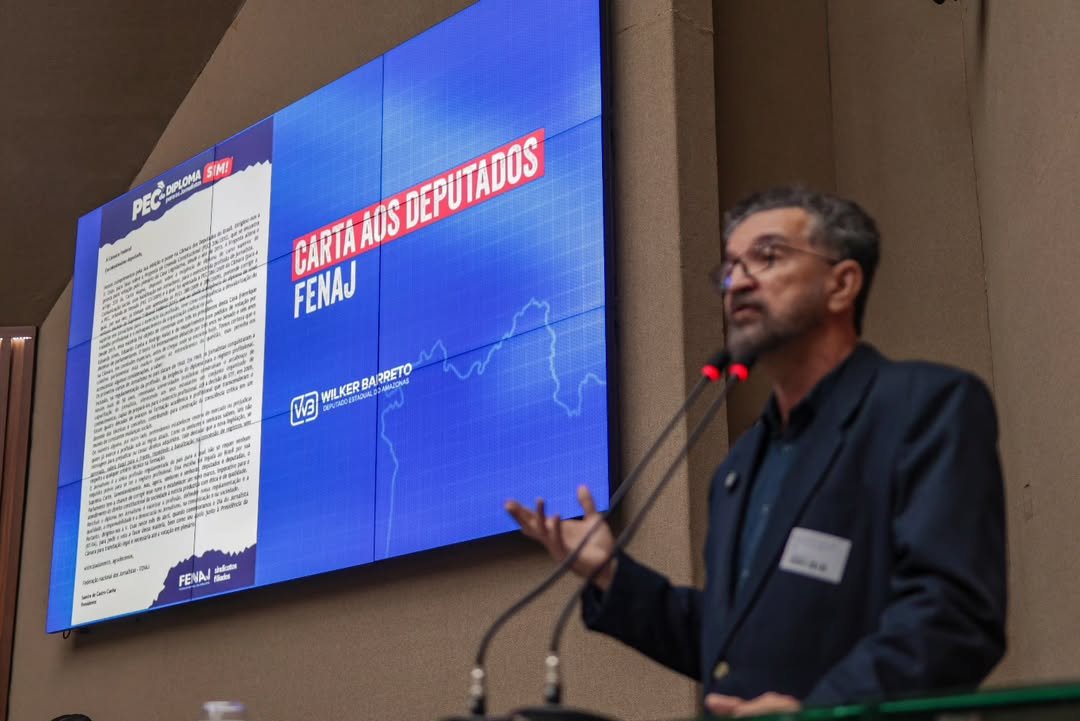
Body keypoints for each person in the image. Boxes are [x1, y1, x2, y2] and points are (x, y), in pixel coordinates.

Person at [506, 187, 1006, 717]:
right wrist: (611, 574)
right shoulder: (740, 465)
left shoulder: (923, 407)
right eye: (730, 269)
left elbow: (953, 616)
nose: (739, 282)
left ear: (842, 284)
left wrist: (819, 713)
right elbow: (730, 649)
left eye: (767, 257)